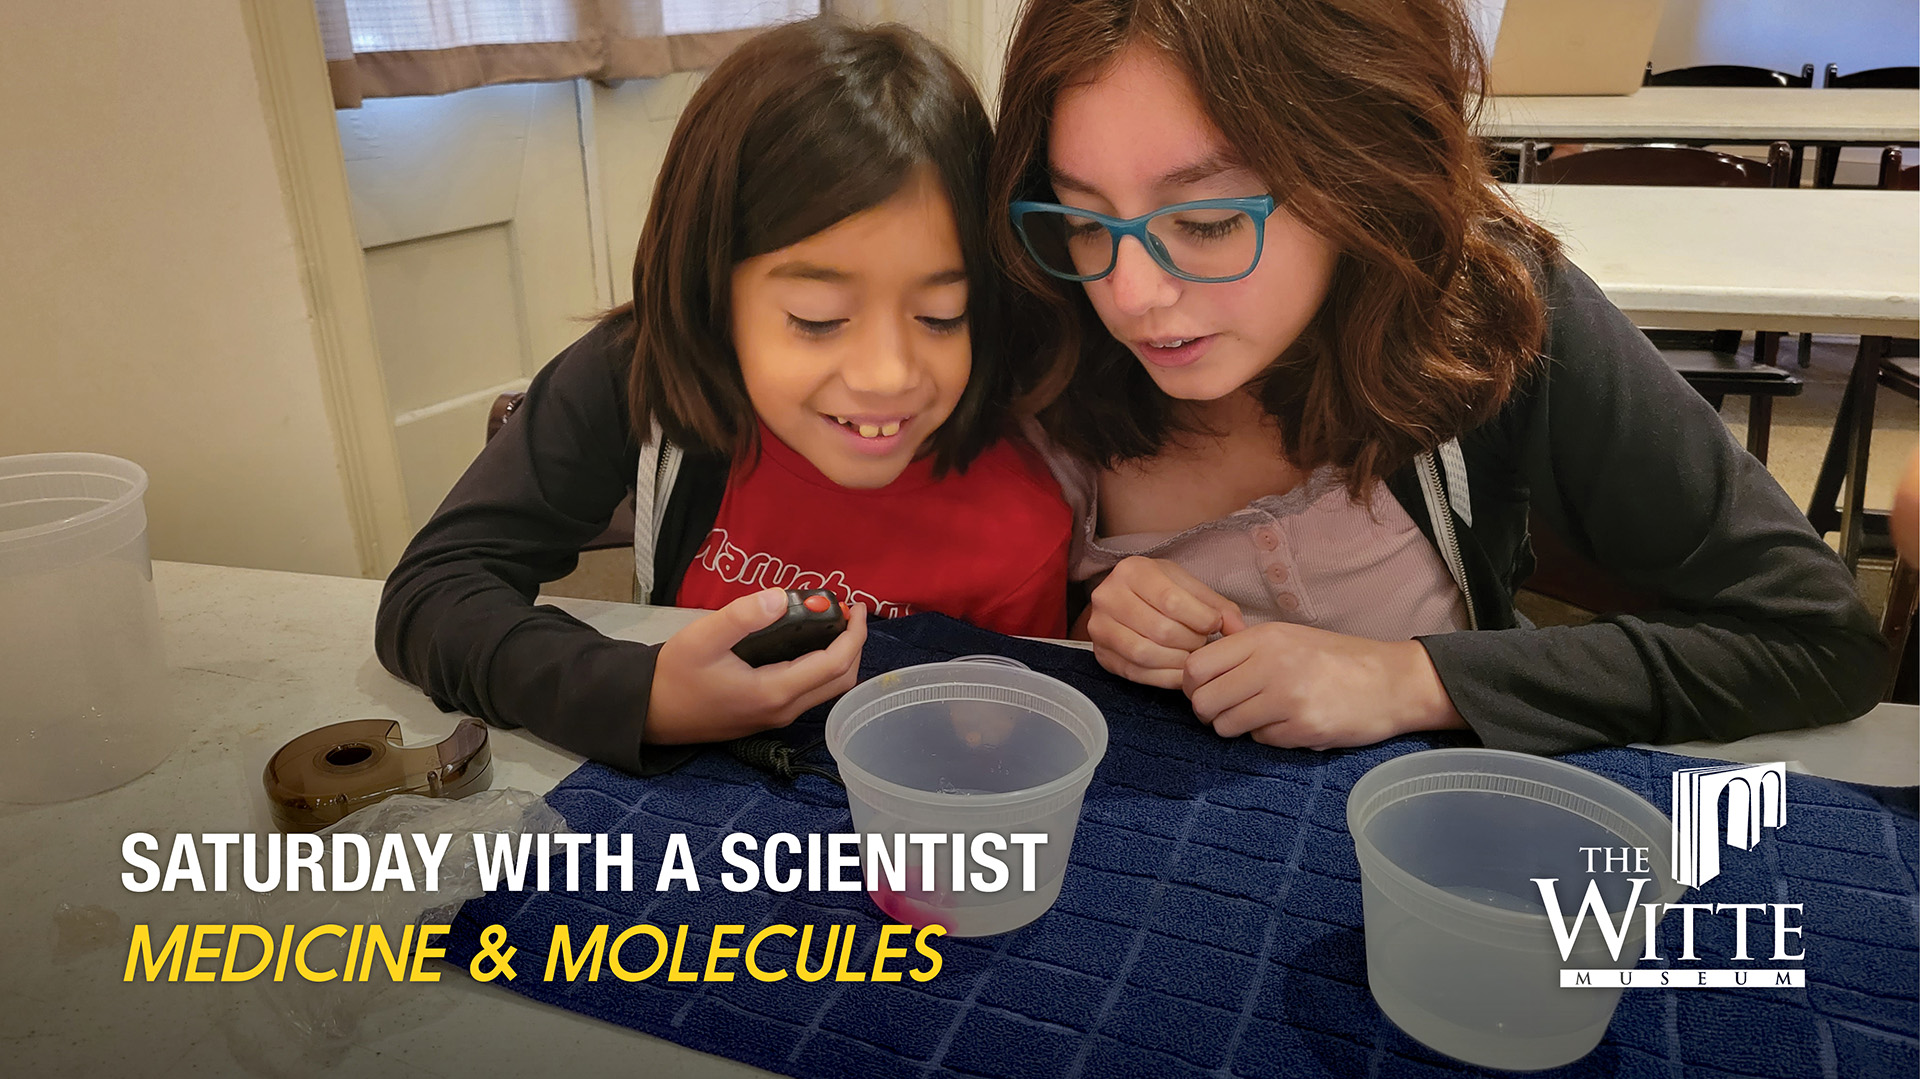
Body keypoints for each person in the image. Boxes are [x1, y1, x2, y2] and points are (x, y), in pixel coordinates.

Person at [986, 0, 1885, 754]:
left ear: (1361, 173)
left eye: (1212, 222)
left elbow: (1816, 638)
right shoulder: (1039, 341)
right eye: (1084, 220)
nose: (1133, 295)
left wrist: (1414, 678)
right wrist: (1093, 622)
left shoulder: (1487, 318)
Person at [378, 19, 1070, 775]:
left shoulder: (1019, 525)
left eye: (942, 316)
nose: (887, 375)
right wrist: (642, 695)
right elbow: (432, 591)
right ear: (714, 293)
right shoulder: (637, 379)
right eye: (818, 320)